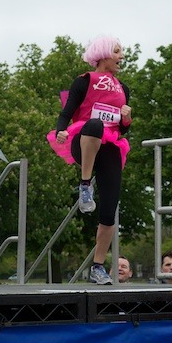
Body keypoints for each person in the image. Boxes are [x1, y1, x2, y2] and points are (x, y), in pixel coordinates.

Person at [47, 35, 132, 285]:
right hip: (82, 140)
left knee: (109, 210)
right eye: (117, 52)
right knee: (94, 124)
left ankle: (97, 267)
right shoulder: (84, 81)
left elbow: (123, 128)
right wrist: (61, 129)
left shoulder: (123, 88)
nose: (121, 57)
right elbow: (67, 111)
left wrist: (126, 118)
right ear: (104, 53)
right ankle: (85, 185)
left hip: (111, 146)